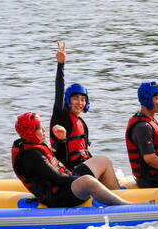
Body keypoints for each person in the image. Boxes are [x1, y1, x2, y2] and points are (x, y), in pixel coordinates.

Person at [11, 112, 130, 207]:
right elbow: (57, 178)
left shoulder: (33, 146)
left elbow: (60, 162)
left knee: (102, 161)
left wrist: (62, 141)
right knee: (88, 180)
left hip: (65, 185)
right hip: (57, 197)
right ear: (30, 133)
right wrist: (87, 181)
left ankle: (116, 194)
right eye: (38, 128)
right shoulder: (31, 156)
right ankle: (126, 207)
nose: (44, 130)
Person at [49, 41, 121, 190]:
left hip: (79, 169)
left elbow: (83, 152)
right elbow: (59, 91)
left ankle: (112, 190)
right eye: (75, 98)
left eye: (83, 99)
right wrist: (61, 65)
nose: (80, 103)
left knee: (100, 163)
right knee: (104, 161)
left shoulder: (80, 121)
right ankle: (119, 199)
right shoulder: (61, 117)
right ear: (67, 100)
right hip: (69, 174)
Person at [125, 81, 158, 188]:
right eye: (157, 98)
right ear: (146, 99)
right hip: (151, 181)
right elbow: (150, 159)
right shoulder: (142, 127)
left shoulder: (151, 121)